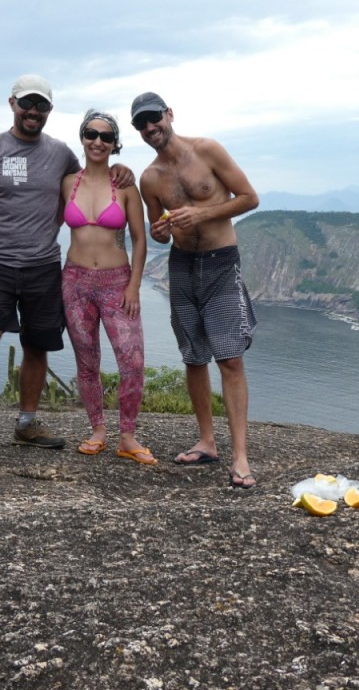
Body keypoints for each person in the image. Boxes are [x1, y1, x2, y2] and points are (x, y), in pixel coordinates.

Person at [0, 74, 134, 464]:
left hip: (44, 265)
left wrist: (124, 170)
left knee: (37, 343)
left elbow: (92, 174)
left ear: (49, 110)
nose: (34, 111)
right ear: (12, 103)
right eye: (27, 103)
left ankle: (27, 422)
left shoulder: (62, 154)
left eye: (42, 105)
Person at [132, 92, 261, 489]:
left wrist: (203, 212)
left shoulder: (207, 150)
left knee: (230, 359)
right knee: (193, 357)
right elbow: (160, 232)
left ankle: (240, 456)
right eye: (141, 124)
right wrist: (160, 230)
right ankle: (208, 441)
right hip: (182, 266)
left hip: (222, 261)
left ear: (169, 114)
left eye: (154, 118)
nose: (150, 127)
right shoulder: (150, 178)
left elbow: (250, 198)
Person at [62, 109, 154, 465]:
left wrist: (134, 287)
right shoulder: (67, 183)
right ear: (82, 138)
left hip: (117, 282)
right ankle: (98, 430)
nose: (97, 141)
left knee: (132, 362)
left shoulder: (126, 185)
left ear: (115, 144)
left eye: (105, 136)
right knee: (87, 362)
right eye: (91, 134)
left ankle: (127, 435)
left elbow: (139, 239)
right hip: (74, 281)